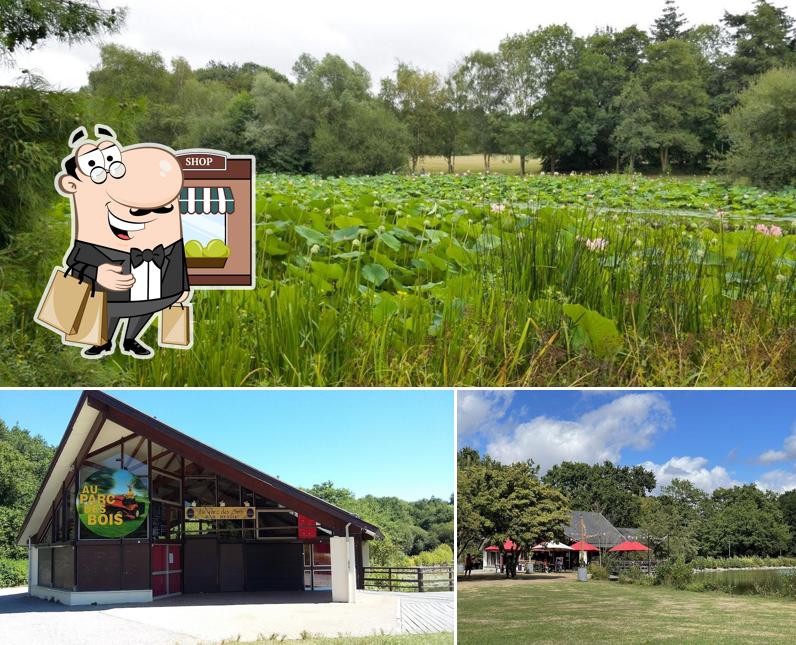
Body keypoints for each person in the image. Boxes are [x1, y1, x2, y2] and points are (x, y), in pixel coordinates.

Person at [50, 124, 191, 358]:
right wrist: (97, 274)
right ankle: (103, 341)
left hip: (154, 290)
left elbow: (177, 259)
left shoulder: (168, 242)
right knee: (110, 311)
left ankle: (131, 339)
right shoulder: (92, 243)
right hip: (112, 294)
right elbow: (76, 260)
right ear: (72, 185)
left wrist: (183, 287)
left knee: (144, 310)